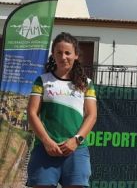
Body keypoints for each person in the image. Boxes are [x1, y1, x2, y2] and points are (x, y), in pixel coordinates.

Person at [26, 32, 97, 187]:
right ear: (53, 54)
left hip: (76, 151)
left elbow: (91, 115)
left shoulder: (87, 83)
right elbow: (32, 113)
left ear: (76, 55)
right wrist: (47, 141)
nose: (63, 57)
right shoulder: (42, 80)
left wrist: (76, 140)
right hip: (46, 149)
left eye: (67, 53)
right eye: (59, 52)